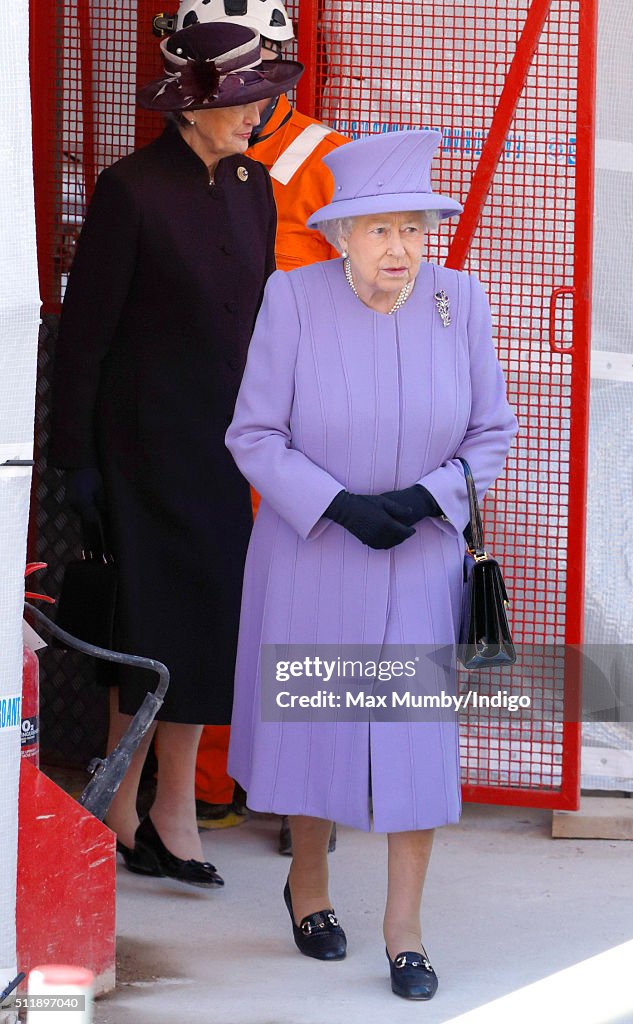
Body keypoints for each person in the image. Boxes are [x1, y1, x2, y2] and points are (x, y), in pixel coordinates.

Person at [224, 129, 518, 997]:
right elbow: (254, 434)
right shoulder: (293, 297)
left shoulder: (456, 300)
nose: (401, 248)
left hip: (421, 554)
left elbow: (490, 430)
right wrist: (337, 505)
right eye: (379, 229)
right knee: (317, 719)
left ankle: (404, 927)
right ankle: (308, 887)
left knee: (413, 739)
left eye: (415, 228)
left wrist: (433, 498)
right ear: (339, 235)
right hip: (315, 551)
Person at [49, 22, 302, 888]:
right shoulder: (130, 190)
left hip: (224, 447)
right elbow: (86, 340)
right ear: (191, 110)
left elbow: (262, 329)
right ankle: (122, 809)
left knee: (208, 627)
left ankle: (170, 809)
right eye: (237, 100)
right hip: (138, 449)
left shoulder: (256, 187)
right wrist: (76, 460)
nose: (255, 111)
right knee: (143, 626)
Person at [172, 0, 349, 847]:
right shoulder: (184, 149)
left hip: (302, 421)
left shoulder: (328, 159)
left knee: (304, 602)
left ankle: (302, 790)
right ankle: (208, 784)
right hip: (210, 405)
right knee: (216, 588)